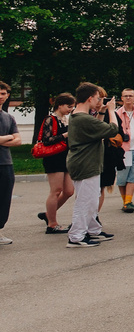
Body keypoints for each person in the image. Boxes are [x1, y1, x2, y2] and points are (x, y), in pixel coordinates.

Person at [64, 83, 120, 248]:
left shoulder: (79, 116)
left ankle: (93, 229)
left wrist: (102, 111)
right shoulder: (83, 118)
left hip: (86, 162)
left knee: (92, 199)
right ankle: (76, 237)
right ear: (90, 98)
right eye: (97, 98)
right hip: (85, 163)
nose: (99, 101)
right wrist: (111, 110)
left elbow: (97, 129)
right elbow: (112, 130)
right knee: (85, 201)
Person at [38, 93, 75, 234]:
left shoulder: (66, 119)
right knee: (56, 190)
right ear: (60, 105)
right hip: (53, 157)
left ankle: (48, 214)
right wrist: (65, 135)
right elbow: (46, 140)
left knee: (69, 191)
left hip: (65, 157)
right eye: (68, 106)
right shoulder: (50, 119)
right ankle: (52, 224)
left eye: (72, 107)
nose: (70, 109)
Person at [115, 88, 134, 213]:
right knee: (122, 177)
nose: (128, 98)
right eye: (125, 96)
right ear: (121, 98)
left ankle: (128, 202)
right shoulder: (116, 113)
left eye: (130, 96)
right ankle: (125, 200)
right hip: (123, 149)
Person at [0, 82, 21, 245]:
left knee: (4, 198)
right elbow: (12, 138)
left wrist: (3, 139)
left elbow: (18, 140)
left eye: (3, 93)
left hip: (6, 163)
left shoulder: (9, 117)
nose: (1, 96)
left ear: (7, 96)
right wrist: (8, 138)